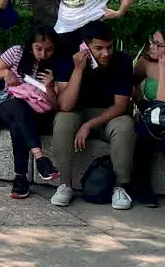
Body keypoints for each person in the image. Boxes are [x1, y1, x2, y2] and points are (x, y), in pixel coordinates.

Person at [49, 22, 136, 210]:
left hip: (109, 117)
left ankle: (120, 187)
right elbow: (65, 105)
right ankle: (65, 185)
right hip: (78, 113)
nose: (106, 53)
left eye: (109, 47)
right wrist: (79, 69)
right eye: (98, 48)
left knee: (125, 124)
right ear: (85, 47)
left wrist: (89, 125)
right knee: (63, 119)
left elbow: (121, 106)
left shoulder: (122, 61)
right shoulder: (68, 61)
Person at [0, 26, 62, 199]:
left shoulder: (57, 65)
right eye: (38, 49)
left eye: (49, 50)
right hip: (9, 106)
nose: (43, 54)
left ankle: (20, 179)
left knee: (18, 123)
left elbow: (58, 106)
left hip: (38, 113)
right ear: (30, 45)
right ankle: (41, 159)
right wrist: (5, 73)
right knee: (18, 106)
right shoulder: (16, 53)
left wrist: (49, 88)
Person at [130, 30, 164, 207]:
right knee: (142, 136)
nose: (152, 46)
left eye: (158, 44)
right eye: (152, 41)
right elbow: (130, 82)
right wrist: (140, 104)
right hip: (152, 115)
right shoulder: (146, 62)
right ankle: (143, 188)